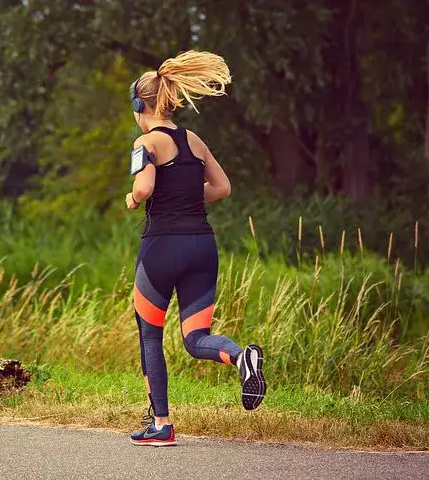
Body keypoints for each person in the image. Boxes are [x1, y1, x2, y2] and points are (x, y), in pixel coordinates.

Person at [125, 50, 266, 447]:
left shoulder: (146, 142)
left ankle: (162, 425)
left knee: (150, 335)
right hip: (202, 246)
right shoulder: (194, 140)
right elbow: (222, 188)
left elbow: (145, 187)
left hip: (162, 249)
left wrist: (134, 200)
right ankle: (241, 357)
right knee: (196, 337)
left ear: (140, 104)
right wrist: (186, 195)